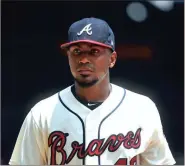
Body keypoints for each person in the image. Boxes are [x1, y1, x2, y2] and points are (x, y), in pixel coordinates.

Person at [9, 17, 176, 165]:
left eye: (94, 51)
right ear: (68, 58)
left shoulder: (142, 108)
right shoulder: (41, 114)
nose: (83, 59)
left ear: (112, 59)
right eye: (76, 52)